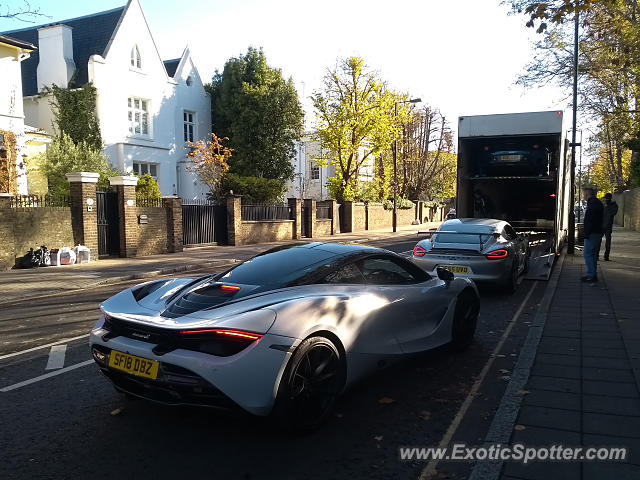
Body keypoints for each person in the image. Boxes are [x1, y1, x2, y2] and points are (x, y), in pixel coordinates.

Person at [581, 187, 604, 282]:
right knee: (593, 254)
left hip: (592, 233)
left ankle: (591, 275)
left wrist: (587, 232)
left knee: (587, 254)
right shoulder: (596, 203)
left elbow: (591, 220)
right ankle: (593, 275)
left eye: (583, 194)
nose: (583, 196)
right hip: (597, 232)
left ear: (587, 194)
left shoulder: (593, 204)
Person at [601, 192, 618, 261]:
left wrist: (607, 207)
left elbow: (613, 213)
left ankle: (606, 256)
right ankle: (596, 255)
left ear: (610, 198)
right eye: (605, 198)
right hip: (601, 225)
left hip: (608, 226)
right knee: (598, 241)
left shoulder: (614, 205)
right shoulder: (603, 205)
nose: (606, 200)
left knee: (608, 242)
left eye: (607, 198)